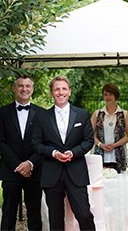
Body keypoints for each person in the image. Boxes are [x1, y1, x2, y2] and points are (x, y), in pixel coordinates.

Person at [31, 75, 95, 231]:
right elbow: (36, 144)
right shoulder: (42, 117)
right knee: (56, 219)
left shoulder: (82, 114)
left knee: (84, 214)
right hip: (52, 173)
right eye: (57, 89)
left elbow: (88, 141)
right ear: (52, 93)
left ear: (70, 91)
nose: (61, 92)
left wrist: (72, 153)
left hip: (76, 172)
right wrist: (53, 153)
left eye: (64, 89)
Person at [0, 75, 44, 231]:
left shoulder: (43, 113)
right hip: (10, 170)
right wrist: (18, 165)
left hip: (34, 171)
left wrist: (30, 163)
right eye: (20, 86)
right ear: (14, 88)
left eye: (28, 86)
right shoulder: (2, 112)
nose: (24, 89)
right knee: (8, 212)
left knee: (35, 212)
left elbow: (46, 143)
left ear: (32, 89)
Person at [91, 83, 128, 173]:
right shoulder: (97, 114)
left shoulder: (124, 114)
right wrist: (100, 144)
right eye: (105, 94)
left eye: (111, 94)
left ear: (116, 95)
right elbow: (89, 134)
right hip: (99, 155)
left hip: (118, 156)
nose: (108, 97)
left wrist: (116, 145)